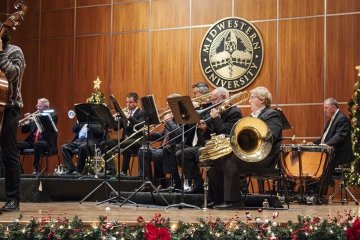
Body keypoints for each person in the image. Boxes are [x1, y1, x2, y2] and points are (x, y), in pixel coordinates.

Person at [209, 86, 282, 209]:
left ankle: (234, 202)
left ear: (262, 100)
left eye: (252, 97)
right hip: (253, 156)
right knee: (216, 159)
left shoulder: (273, 114)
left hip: (266, 158)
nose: (249, 101)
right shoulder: (251, 118)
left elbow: (271, 136)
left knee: (230, 160)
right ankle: (218, 199)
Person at [176, 87, 242, 194]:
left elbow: (226, 133)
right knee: (182, 153)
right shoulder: (215, 111)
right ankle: (198, 184)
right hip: (211, 146)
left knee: (201, 156)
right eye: (212, 100)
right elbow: (210, 133)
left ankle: (215, 194)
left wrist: (216, 118)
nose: (213, 103)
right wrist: (205, 129)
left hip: (224, 149)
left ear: (224, 97)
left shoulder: (234, 112)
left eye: (215, 99)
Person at [0, 26, 26, 212]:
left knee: (9, 154)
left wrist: (1, 53)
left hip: (9, 108)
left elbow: (12, 75)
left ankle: (13, 199)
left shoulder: (14, 51)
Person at [138, 93, 182, 189]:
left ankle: (161, 183)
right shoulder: (170, 118)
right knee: (143, 150)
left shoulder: (182, 117)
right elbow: (163, 135)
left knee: (157, 154)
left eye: (168, 105)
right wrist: (151, 135)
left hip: (174, 148)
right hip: (164, 148)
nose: (166, 107)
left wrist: (169, 121)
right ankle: (148, 182)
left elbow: (179, 134)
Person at [313, 98, 353, 196]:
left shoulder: (342, 118)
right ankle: (316, 192)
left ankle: (319, 193)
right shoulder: (333, 119)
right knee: (315, 165)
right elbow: (325, 137)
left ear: (334, 107)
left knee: (321, 167)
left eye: (326, 108)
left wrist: (326, 145)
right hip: (332, 153)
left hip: (340, 155)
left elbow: (339, 136)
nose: (324, 110)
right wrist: (314, 143)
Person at [101, 92, 145, 176]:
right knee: (104, 144)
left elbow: (140, 126)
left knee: (125, 145)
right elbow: (117, 128)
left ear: (136, 102)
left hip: (136, 141)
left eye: (130, 102)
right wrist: (112, 121)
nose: (128, 104)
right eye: (127, 102)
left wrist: (129, 117)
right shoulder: (124, 112)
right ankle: (111, 169)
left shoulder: (141, 113)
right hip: (124, 140)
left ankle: (123, 171)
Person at [17, 98, 58, 175]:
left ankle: (36, 168)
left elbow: (48, 129)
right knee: (14, 144)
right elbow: (24, 131)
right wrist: (26, 121)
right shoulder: (34, 117)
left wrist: (36, 119)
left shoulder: (53, 116)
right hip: (32, 142)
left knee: (38, 144)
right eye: (37, 106)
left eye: (40, 106)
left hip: (46, 142)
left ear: (46, 107)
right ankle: (19, 170)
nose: (38, 108)